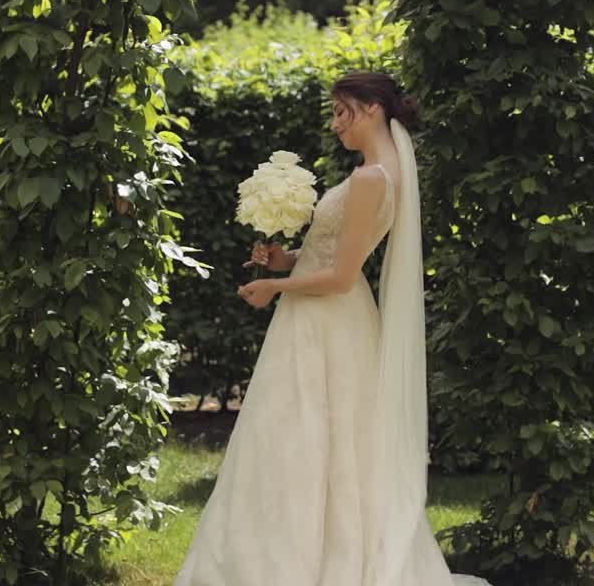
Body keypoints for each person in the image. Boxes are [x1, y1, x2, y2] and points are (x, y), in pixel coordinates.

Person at [173, 71, 493, 586]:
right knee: (321, 440)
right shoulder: (379, 171)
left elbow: (343, 277)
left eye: (342, 111)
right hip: (325, 315)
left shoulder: (371, 178)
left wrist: (274, 288)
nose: (335, 123)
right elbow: (332, 256)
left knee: (305, 437)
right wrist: (284, 259)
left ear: (370, 109)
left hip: (327, 319)